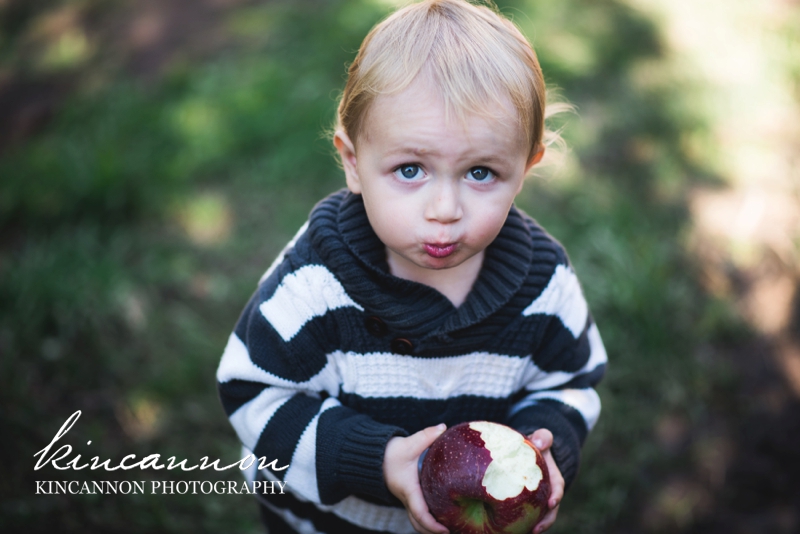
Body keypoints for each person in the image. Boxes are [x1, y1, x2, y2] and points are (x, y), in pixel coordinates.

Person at [216, 1, 607, 533]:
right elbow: (254, 393)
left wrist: (544, 444)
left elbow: (571, 384)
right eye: (409, 169)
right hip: (329, 522)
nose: (443, 208)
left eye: (480, 172)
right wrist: (374, 459)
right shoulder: (314, 284)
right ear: (353, 163)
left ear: (526, 169)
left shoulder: (544, 288)